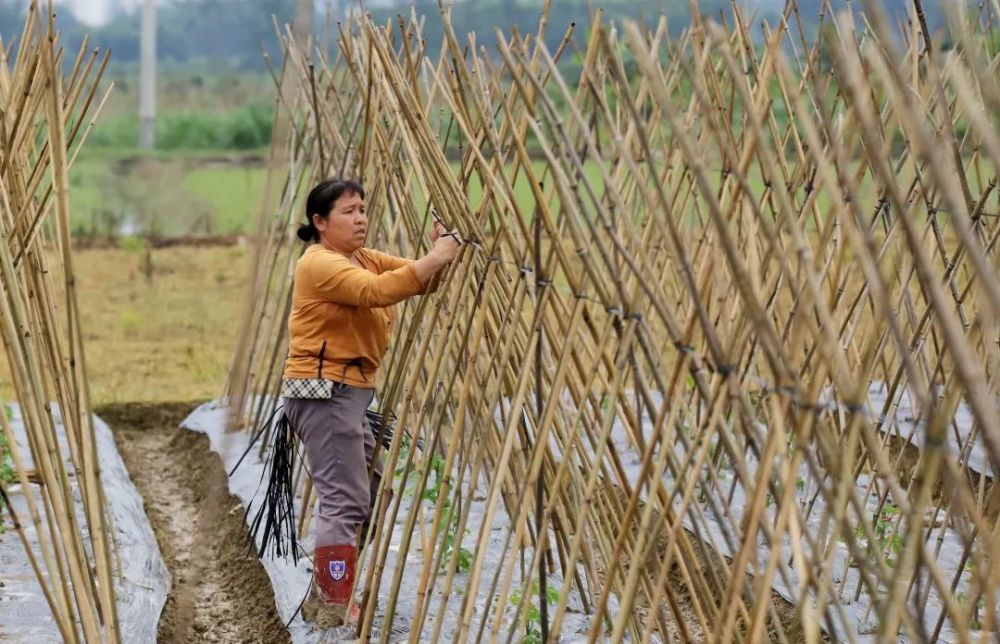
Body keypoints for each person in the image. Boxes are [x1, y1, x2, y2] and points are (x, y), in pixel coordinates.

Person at [282, 178, 460, 627]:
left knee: (371, 491)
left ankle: (335, 583)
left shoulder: (359, 258)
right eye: (349, 211)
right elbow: (376, 292)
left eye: (363, 209)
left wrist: (438, 255)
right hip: (326, 394)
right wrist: (435, 258)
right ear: (320, 222)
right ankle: (332, 602)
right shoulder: (320, 264)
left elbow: (416, 281)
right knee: (343, 499)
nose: (361, 218)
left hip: (349, 396)